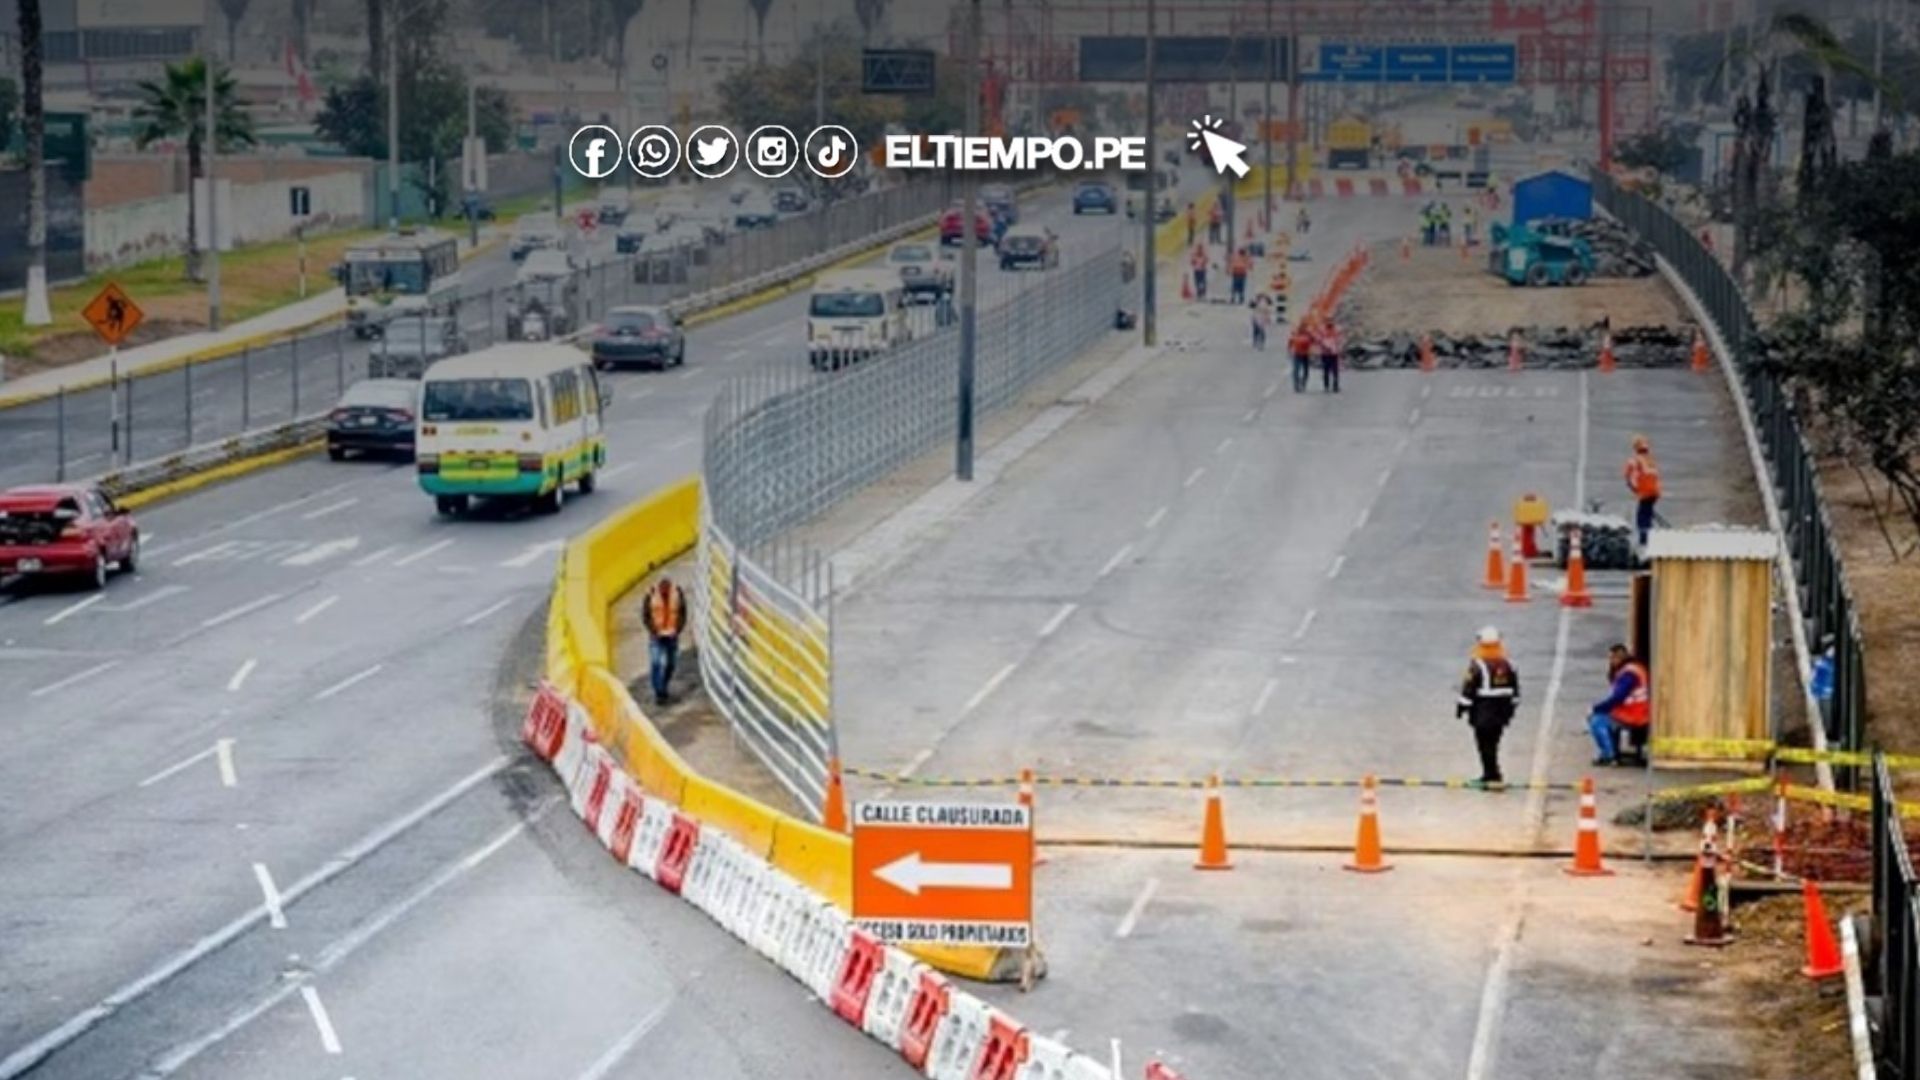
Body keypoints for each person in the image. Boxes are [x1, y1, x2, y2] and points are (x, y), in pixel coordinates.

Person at [1457, 626, 1521, 788]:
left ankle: (1491, 775)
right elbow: (1516, 691)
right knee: (1494, 742)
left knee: (1484, 744)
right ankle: (1493, 773)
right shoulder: (1509, 664)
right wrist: (1511, 710)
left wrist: (1461, 706)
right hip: (1502, 711)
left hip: (1483, 711)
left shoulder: (1478, 665)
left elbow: (1469, 688)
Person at [1587, 644, 1651, 766]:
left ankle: (1609, 755)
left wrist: (1596, 708)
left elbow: (1617, 698)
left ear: (1619, 658)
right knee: (1603, 716)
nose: (1610, 661)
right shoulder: (1634, 668)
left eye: (1612, 658)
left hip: (1633, 714)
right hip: (1637, 711)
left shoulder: (1628, 674)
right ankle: (1611, 751)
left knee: (1597, 720)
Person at [642, 576, 688, 706]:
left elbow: (683, 613)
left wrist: (677, 630)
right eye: (662, 587)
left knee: (671, 664)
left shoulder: (677, 593)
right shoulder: (651, 594)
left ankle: (663, 685)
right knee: (656, 663)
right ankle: (660, 692)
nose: (664, 590)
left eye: (666, 587)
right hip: (657, 636)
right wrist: (654, 631)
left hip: (672, 635)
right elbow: (645, 615)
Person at [1624, 435, 1662, 545]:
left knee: (1642, 516)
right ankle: (1648, 535)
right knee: (1648, 513)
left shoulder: (1635, 460)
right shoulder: (1650, 460)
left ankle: (1644, 539)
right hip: (1654, 492)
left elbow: (1627, 475)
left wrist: (1634, 488)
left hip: (1645, 492)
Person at [1316, 320, 1341, 393]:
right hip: (1327, 354)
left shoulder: (1335, 331)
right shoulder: (1323, 331)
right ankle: (1328, 386)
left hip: (1333, 353)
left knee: (1334, 370)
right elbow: (1319, 341)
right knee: (1328, 370)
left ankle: (1334, 386)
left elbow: (1338, 341)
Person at [1289, 323, 1313, 393]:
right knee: (1296, 370)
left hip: (1305, 355)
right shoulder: (1294, 334)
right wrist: (1289, 351)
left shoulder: (1308, 334)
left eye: (1303, 328)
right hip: (1297, 354)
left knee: (1306, 371)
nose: (1301, 329)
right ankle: (1296, 385)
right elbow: (1290, 343)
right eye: (1300, 328)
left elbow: (1313, 341)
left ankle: (1303, 383)